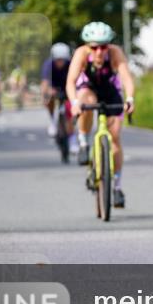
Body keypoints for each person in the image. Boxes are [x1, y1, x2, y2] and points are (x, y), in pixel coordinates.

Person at [66, 22, 135, 208]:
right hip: (88, 89)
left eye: (103, 46)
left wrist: (130, 99)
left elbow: (127, 78)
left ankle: (117, 186)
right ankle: (83, 141)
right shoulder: (81, 53)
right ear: (88, 46)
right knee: (84, 100)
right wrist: (74, 104)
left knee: (114, 139)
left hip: (110, 90)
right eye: (94, 47)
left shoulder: (115, 53)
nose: (99, 51)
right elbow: (71, 81)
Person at [41, 43, 75, 145]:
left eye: (62, 60)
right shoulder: (48, 65)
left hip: (67, 87)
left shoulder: (71, 64)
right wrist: (45, 94)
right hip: (53, 87)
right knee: (48, 97)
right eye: (57, 60)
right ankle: (52, 120)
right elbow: (44, 83)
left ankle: (72, 138)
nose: (60, 62)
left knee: (70, 110)